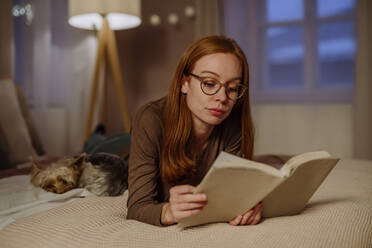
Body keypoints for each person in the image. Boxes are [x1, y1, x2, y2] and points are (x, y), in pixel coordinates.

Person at [127, 35, 262, 226]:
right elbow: (137, 207)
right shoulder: (151, 119)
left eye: (232, 88)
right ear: (184, 83)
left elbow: (232, 195)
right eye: (209, 83)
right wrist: (168, 211)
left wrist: (249, 204)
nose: (222, 97)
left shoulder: (234, 124)